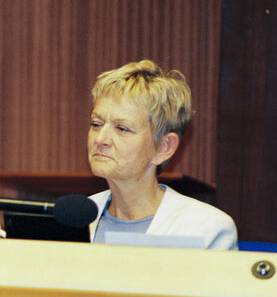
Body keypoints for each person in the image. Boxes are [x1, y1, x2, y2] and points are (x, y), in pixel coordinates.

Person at [87, 59, 237, 250]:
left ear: (164, 147)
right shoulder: (70, 218)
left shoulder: (204, 228)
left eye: (122, 128)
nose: (100, 139)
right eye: (96, 124)